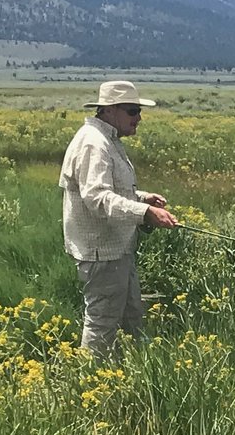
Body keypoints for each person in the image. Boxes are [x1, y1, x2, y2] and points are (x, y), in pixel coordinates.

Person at [61, 79, 180, 355]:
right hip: (102, 255)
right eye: (132, 111)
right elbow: (97, 199)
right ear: (110, 110)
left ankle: (127, 382)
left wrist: (142, 199)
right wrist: (145, 213)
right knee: (102, 325)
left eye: (139, 111)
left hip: (116, 251)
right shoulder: (94, 143)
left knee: (130, 322)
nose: (138, 118)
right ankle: (89, 389)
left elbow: (112, 191)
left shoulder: (106, 139)